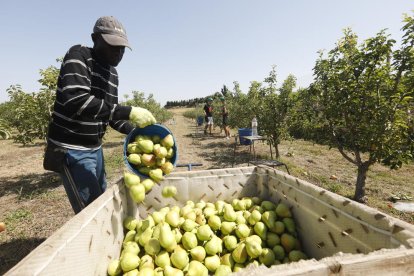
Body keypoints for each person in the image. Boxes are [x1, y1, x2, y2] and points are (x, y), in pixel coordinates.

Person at [43, 16, 156, 214]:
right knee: (92, 211)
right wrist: (129, 111)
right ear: (95, 39)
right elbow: (75, 99)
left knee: (102, 198)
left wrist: (136, 130)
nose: (118, 52)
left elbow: (109, 113)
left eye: (122, 48)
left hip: (95, 148)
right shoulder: (79, 55)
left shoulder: (112, 74)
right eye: (113, 46)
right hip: (72, 149)